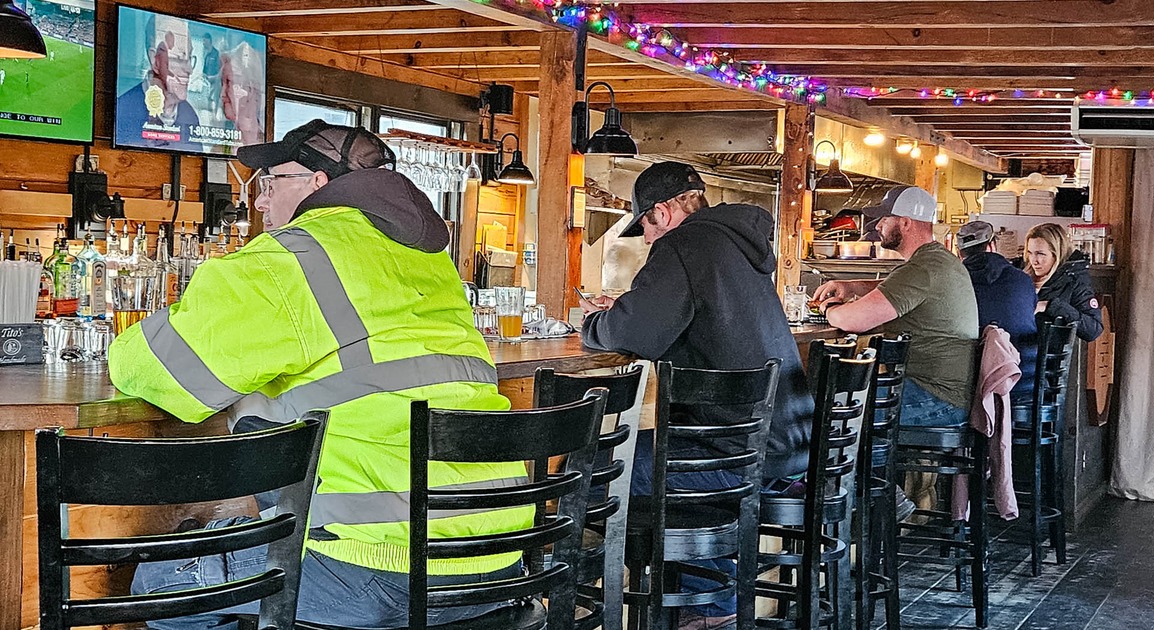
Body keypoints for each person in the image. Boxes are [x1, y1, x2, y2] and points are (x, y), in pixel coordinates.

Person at [110, 120, 529, 629]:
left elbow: (164, 369)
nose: (260, 203)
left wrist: (127, 339)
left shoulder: (291, 256)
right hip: (496, 561)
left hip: (378, 567)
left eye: (271, 182)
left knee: (161, 585)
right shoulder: (425, 258)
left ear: (317, 183)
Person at [581, 161, 815, 629]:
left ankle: (702, 606)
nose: (647, 238)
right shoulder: (735, 246)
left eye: (645, 224)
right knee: (646, 465)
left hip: (737, 455)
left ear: (664, 212)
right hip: (788, 445)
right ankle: (698, 595)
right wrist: (628, 310)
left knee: (595, 471)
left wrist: (592, 324)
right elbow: (673, 318)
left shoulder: (682, 245)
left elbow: (637, 333)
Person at [813, 186, 979, 427]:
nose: (878, 225)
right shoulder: (937, 260)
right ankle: (870, 463)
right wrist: (852, 287)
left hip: (937, 398)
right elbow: (893, 289)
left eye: (884, 219)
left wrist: (827, 309)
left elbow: (853, 321)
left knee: (836, 407)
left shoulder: (922, 268)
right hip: (946, 392)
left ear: (905, 223)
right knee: (841, 400)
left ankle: (870, 465)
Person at [957, 220, 1039, 395]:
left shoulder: (954, 282)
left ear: (959, 253)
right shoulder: (1023, 280)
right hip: (1025, 382)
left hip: (975, 388)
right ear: (992, 245)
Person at [113, 13, 202, 152]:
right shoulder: (122, 110)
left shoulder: (190, 116)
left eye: (189, 58)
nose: (189, 69)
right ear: (155, 61)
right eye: (180, 58)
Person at [1024, 222, 1103, 342]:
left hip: (1047, 355)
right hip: (1013, 350)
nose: (1034, 260)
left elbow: (1093, 330)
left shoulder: (1074, 280)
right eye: (1030, 253)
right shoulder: (1020, 275)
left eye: (1041, 254)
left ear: (1057, 254)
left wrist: (1051, 306)